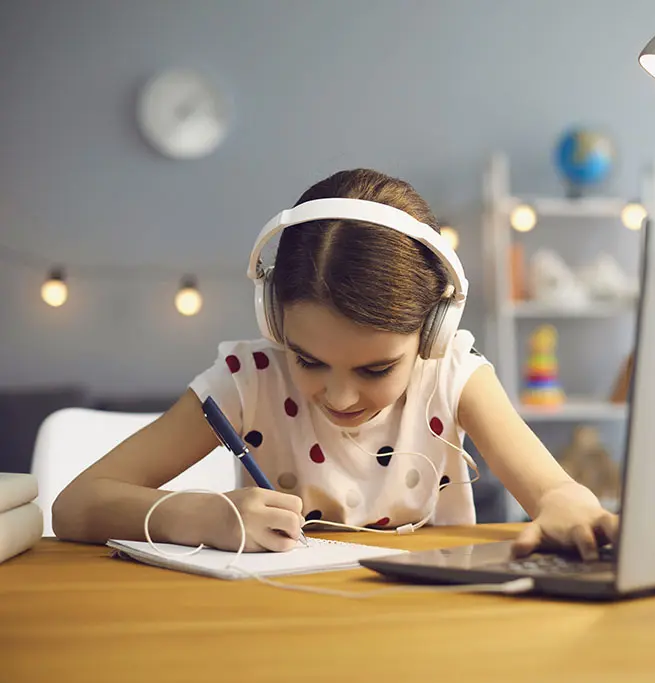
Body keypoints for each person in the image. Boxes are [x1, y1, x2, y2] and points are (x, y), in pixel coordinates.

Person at [52, 168, 618, 560]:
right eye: (308, 360)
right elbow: (76, 507)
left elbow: (559, 494)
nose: (340, 397)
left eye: (375, 369)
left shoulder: (452, 374)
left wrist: (568, 507)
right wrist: (203, 516)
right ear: (275, 324)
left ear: (433, 330)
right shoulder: (245, 383)